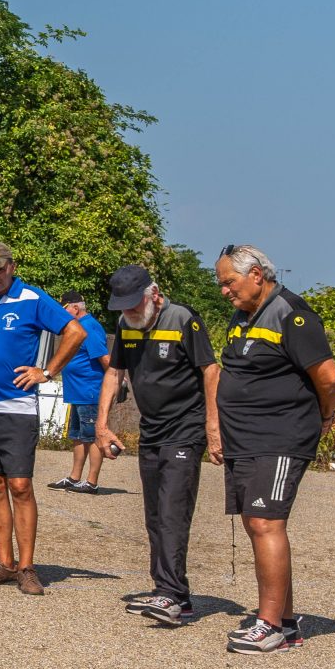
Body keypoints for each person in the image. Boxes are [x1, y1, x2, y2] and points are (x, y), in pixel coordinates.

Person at [213, 243, 335, 654]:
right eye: (221, 284)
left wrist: (324, 416)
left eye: (229, 282)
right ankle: (284, 622)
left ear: (256, 275)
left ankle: (269, 625)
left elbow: (329, 377)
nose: (224, 291)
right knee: (255, 523)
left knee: (267, 522)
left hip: (280, 436)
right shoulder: (243, 314)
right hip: (244, 437)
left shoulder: (292, 314)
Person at [0, 240, 85, 592]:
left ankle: (27, 567)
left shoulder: (32, 298)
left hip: (16, 407)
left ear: (11, 267)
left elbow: (75, 332)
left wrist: (48, 371)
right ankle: (4, 563)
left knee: (20, 485)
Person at [101, 263, 219, 629]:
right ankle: (171, 594)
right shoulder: (126, 325)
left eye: (134, 304)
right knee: (155, 514)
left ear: (154, 294)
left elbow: (211, 370)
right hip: (151, 429)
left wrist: (213, 425)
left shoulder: (182, 319)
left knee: (172, 511)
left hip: (185, 428)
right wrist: (101, 426)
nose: (129, 311)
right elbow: (114, 372)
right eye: (122, 306)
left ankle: (170, 592)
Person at [49, 290, 115, 494]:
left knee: (93, 436)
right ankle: (74, 477)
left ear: (75, 308)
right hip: (78, 392)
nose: (63, 313)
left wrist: (116, 384)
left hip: (90, 391)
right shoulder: (77, 327)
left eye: (65, 309)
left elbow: (105, 359)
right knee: (78, 436)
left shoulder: (89, 327)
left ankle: (91, 482)